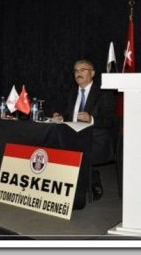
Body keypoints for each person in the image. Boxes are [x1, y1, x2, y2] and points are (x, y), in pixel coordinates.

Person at [52, 59, 116, 201]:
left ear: (92, 73)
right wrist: (61, 117)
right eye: (76, 70)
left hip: (95, 139)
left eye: (82, 70)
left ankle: (86, 185)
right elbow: (69, 115)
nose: (78, 73)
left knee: (79, 153)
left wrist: (91, 119)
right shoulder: (72, 93)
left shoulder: (103, 93)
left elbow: (110, 121)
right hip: (73, 137)